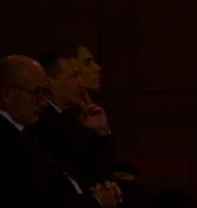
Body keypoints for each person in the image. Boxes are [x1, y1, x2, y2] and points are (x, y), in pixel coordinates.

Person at [0, 54, 121, 207]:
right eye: (36, 93)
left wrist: (101, 132)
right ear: (7, 95)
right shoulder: (11, 140)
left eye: (44, 93)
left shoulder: (26, 130)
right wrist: (97, 201)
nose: (43, 102)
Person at [33, 45, 115, 191]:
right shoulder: (41, 122)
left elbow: (103, 170)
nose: (81, 83)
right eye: (74, 76)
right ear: (50, 82)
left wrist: (101, 132)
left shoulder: (69, 117)